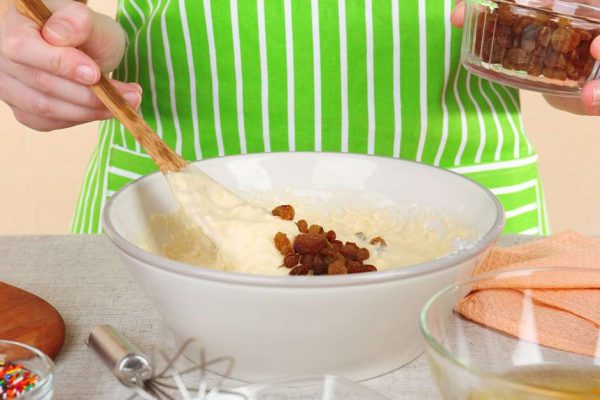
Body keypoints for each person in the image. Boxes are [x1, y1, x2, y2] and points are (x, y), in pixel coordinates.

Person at [1, 0, 599, 234]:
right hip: (170, 203)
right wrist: (33, 34)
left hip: (469, 211)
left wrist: (580, 44)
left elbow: (564, 34)